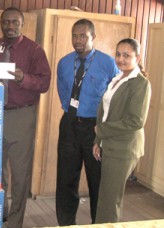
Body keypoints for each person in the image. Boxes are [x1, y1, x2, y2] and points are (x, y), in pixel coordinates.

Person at [0, 7, 51, 228]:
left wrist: (24, 78)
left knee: (20, 174)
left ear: (22, 24)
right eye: (6, 22)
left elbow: (44, 83)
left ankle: (15, 222)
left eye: (15, 22)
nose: (10, 26)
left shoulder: (34, 50)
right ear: (1, 23)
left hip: (21, 115)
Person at [56, 19, 120, 225]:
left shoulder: (107, 63)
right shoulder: (65, 62)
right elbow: (63, 92)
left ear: (93, 37)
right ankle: (66, 223)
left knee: (97, 180)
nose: (78, 40)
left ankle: (99, 223)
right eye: (74, 35)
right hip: (69, 124)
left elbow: (114, 96)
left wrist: (103, 128)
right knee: (66, 179)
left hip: (95, 127)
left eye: (83, 35)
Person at [93, 38, 151, 223]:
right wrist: (98, 141)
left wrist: (101, 131)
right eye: (118, 54)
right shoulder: (119, 78)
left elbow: (136, 121)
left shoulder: (140, 83)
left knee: (110, 201)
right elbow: (108, 112)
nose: (121, 59)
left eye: (127, 55)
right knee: (106, 196)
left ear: (138, 57)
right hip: (110, 143)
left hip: (124, 149)